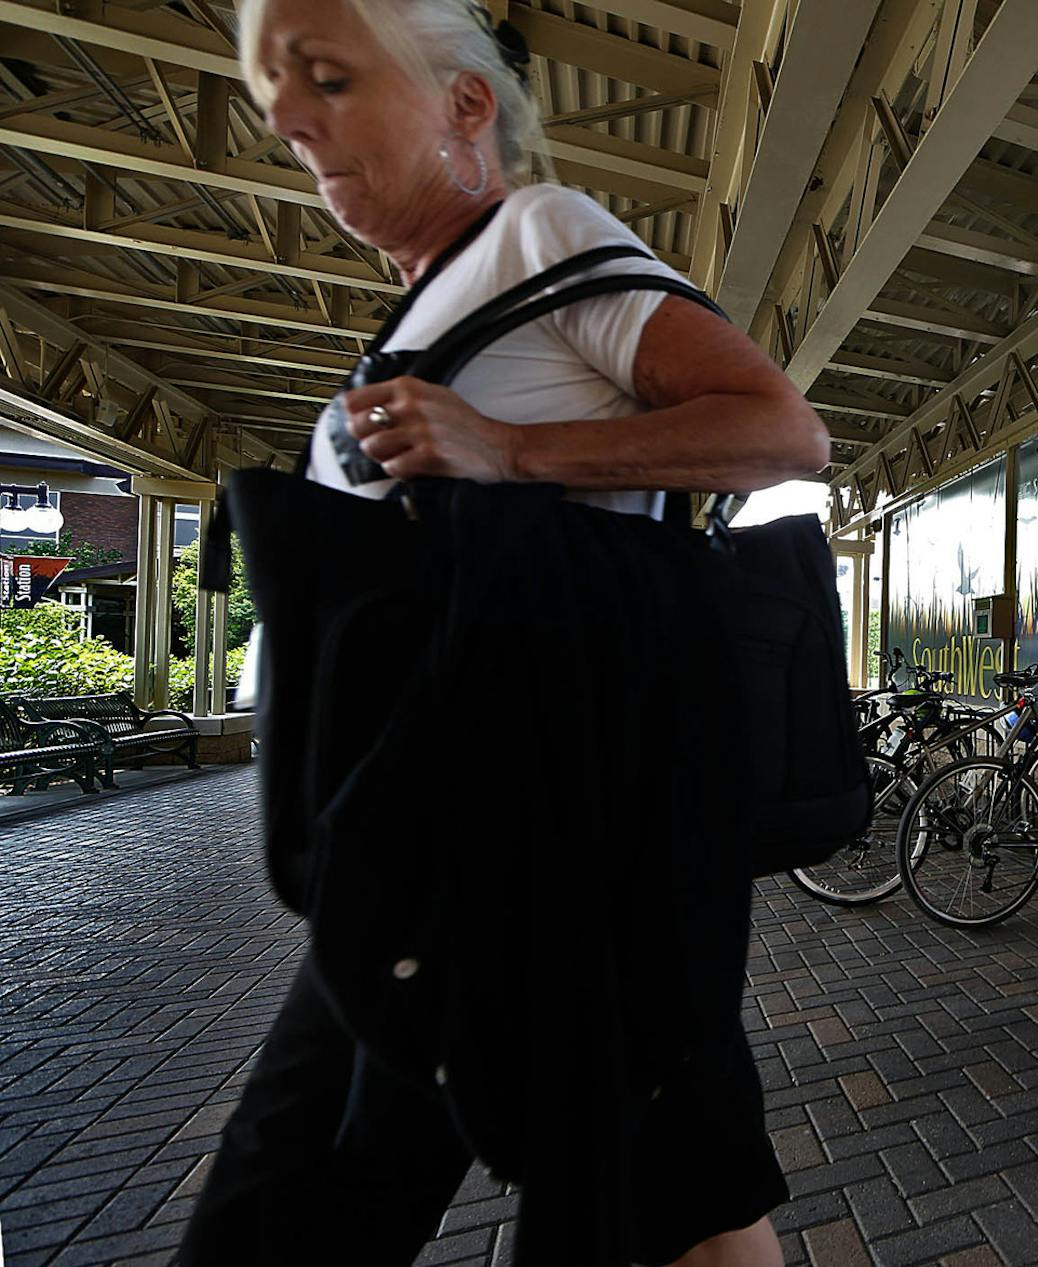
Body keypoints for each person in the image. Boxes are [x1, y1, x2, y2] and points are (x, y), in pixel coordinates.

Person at [178, 0, 825, 1263]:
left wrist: (509, 449)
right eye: (275, 99)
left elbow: (779, 431)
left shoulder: (540, 232)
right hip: (457, 833)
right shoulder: (427, 309)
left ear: (467, 107)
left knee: (290, 1193)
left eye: (327, 78)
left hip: (515, 826)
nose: (294, 121)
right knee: (677, 1169)